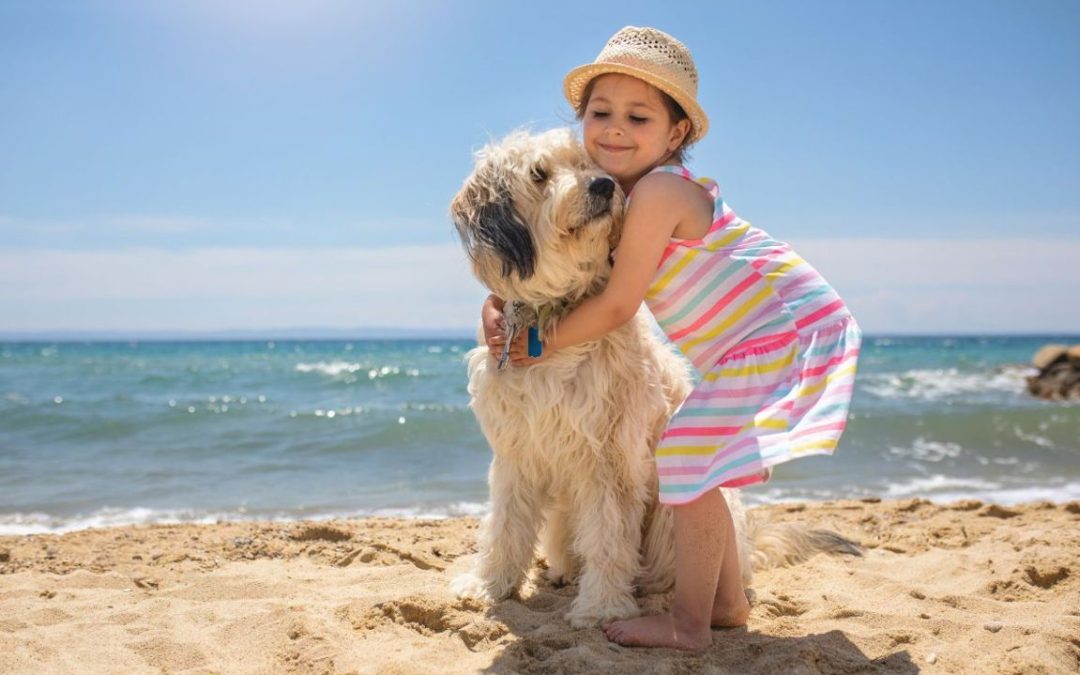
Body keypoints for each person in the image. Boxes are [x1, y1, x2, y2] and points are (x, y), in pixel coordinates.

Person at [481, 26, 861, 650]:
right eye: (600, 112)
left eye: (639, 116)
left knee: (685, 458)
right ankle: (729, 603)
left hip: (781, 331)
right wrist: (496, 308)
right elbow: (555, 274)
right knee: (702, 463)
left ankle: (689, 626)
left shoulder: (656, 193)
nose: (615, 129)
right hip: (758, 340)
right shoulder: (623, 196)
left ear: (676, 134)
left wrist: (541, 347)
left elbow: (617, 301)